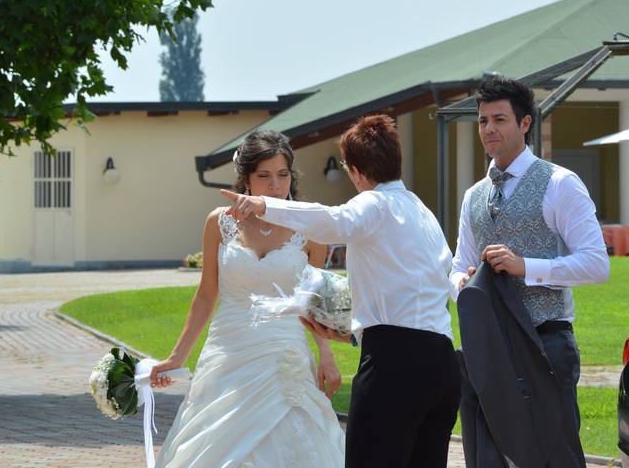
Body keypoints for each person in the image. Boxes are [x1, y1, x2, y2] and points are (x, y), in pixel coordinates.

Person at [222, 115, 459, 468]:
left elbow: (332, 221)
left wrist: (265, 205)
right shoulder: (422, 212)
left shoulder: (373, 204)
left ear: (356, 170)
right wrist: (350, 334)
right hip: (443, 363)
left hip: (394, 365)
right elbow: (427, 285)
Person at [149, 130, 345, 468]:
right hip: (229, 350)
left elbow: (312, 301)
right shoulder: (219, 223)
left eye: (282, 175)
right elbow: (206, 294)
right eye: (264, 176)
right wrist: (176, 357)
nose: (275, 186)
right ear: (247, 180)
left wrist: (326, 355)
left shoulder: (310, 228)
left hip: (284, 351)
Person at [449, 74, 610, 466]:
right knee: (486, 456)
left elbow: (596, 263)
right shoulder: (473, 196)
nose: (489, 129)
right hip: (487, 348)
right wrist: (464, 284)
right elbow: (456, 267)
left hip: (545, 343)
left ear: (524, 123)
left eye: (499, 119)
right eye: (483, 120)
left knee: (554, 457)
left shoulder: (560, 183)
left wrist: (526, 267)